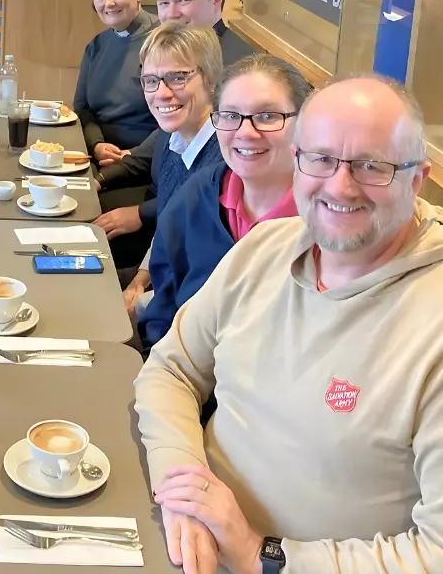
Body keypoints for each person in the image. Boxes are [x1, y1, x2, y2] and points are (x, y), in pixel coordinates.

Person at [135, 76, 443, 574]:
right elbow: (170, 369)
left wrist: (266, 556)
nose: (340, 186)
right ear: (297, 161)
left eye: (371, 166)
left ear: (418, 177)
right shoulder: (265, 248)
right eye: (320, 159)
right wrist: (181, 482)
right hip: (177, 539)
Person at [137, 55, 308, 355]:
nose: (245, 132)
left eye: (268, 116)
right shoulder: (197, 195)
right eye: (230, 115)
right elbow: (163, 306)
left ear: (304, 124)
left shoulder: (323, 221)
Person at [93, 23, 226, 271]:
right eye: (151, 80)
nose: (162, 94)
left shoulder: (224, 162)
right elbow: (166, 232)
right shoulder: (171, 138)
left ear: (211, 80)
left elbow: (200, 274)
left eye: (177, 78)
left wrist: (139, 299)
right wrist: (138, 282)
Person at [72, 0, 160, 163]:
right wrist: (97, 145)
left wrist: (133, 154)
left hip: (146, 159)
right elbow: (82, 108)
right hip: (96, 154)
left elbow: (180, 117)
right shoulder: (96, 46)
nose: (108, 3)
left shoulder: (164, 40)